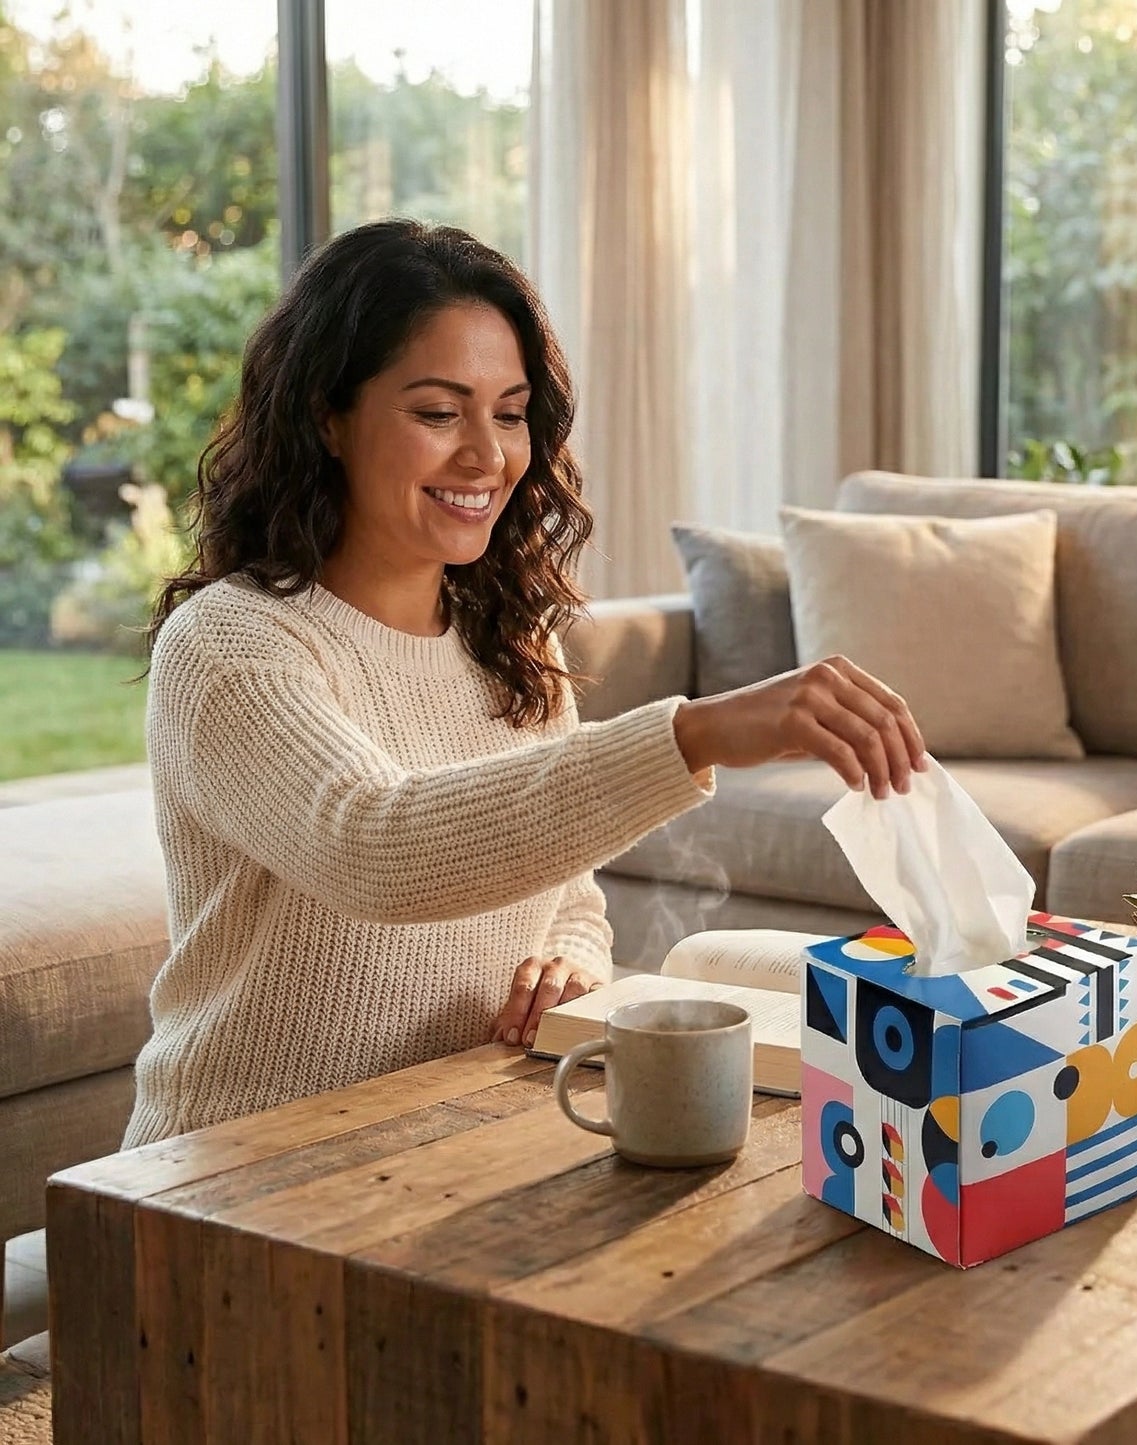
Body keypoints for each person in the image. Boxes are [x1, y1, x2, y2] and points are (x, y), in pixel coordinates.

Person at [122, 218, 926, 1149]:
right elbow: (374, 846)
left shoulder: (508, 639)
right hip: (241, 1162)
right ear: (325, 416)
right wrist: (693, 734)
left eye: (509, 414)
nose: (488, 455)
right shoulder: (231, 643)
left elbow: (568, 893)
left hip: (450, 1133)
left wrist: (569, 961)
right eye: (438, 412)